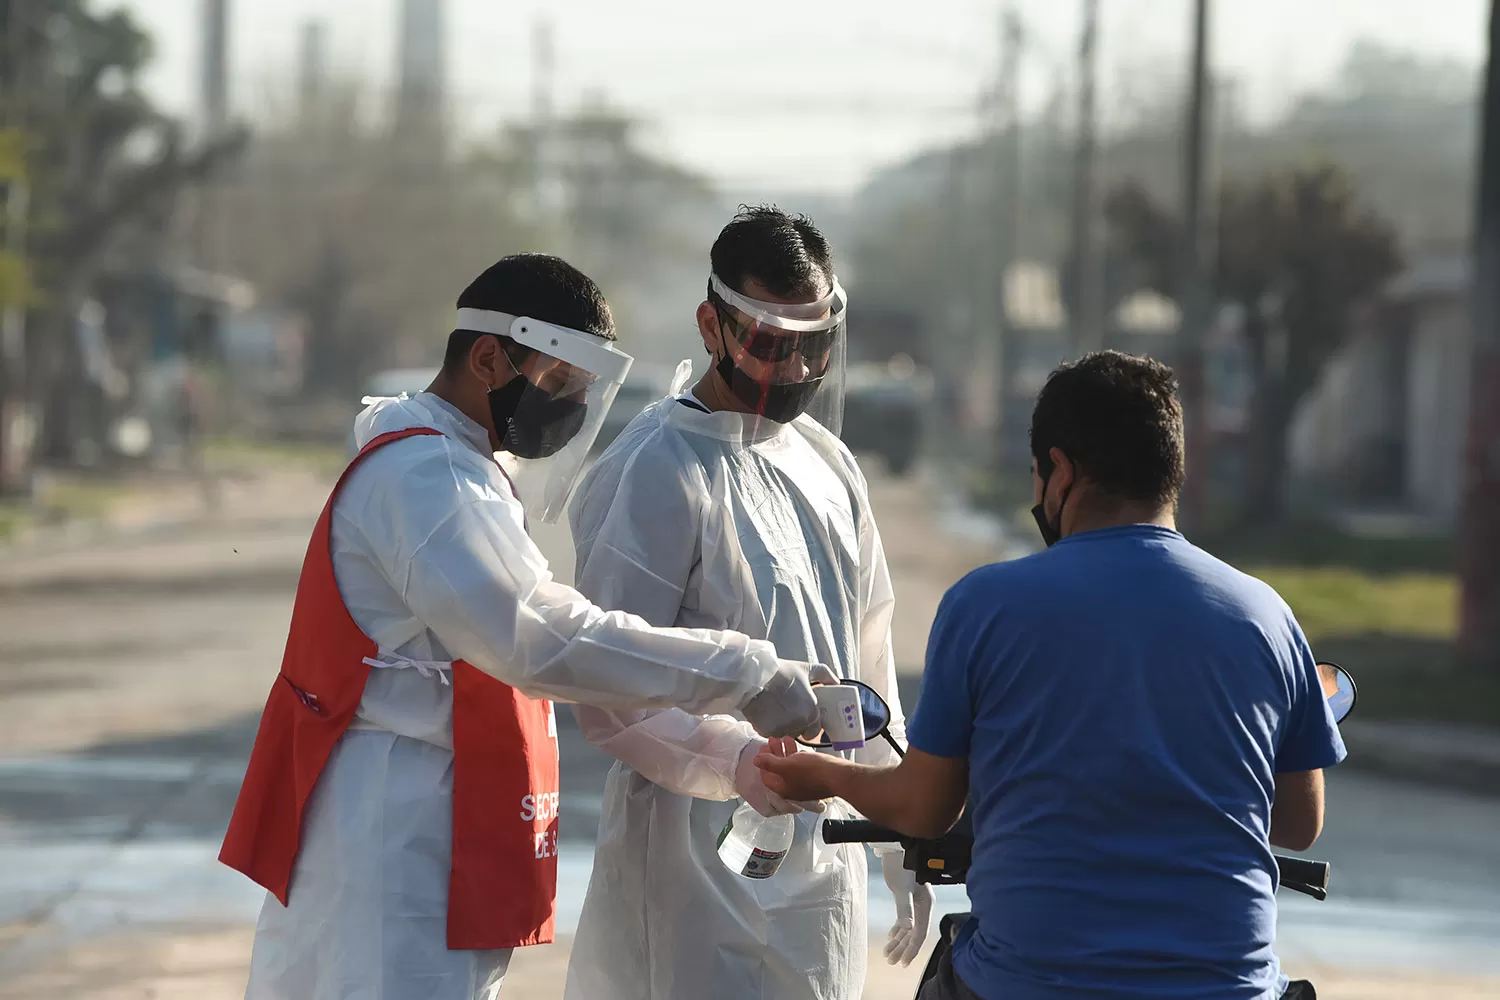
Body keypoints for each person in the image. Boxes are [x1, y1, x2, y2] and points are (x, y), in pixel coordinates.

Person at [219, 253, 829, 1000]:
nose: (570, 410)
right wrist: (745, 672)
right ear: (487, 357)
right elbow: (539, 637)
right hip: (390, 835)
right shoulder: (425, 480)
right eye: (558, 384)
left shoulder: (460, 467)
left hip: (429, 815)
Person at [759, 351, 1348, 1000]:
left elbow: (924, 807)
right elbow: (1297, 825)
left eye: (1038, 476)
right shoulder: (1267, 618)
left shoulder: (987, 604)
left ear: (1060, 472)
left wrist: (817, 773)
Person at [561, 207, 928, 1000]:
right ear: (712, 325)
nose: (794, 368)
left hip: (825, 855)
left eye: (814, 343)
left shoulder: (830, 466)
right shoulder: (657, 469)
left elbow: (869, 662)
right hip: (692, 864)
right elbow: (608, 690)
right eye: (769, 342)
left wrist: (898, 836)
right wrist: (732, 762)